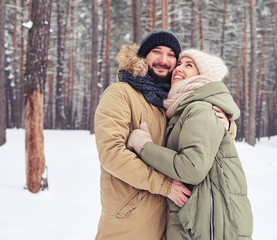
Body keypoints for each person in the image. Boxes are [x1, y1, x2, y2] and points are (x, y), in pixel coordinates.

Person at [94, 29, 233, 239]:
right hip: (130, 224)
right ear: (143, 56)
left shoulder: (173, 103)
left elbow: (197, 142)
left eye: (171, 55)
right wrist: (164, 185)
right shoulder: (121, 93)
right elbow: (111, 154)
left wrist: (225, 124)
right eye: (156, 52)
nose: (164, 60)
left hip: (169, 225)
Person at [127, 49, 253, 239]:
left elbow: (192, 168)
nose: (179, 68)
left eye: (189, 65)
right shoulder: (184, 108)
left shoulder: (199, 108)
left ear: (202, 76)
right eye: (179, 63)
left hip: (212, 224)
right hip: (203, 220)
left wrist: (145, 147)